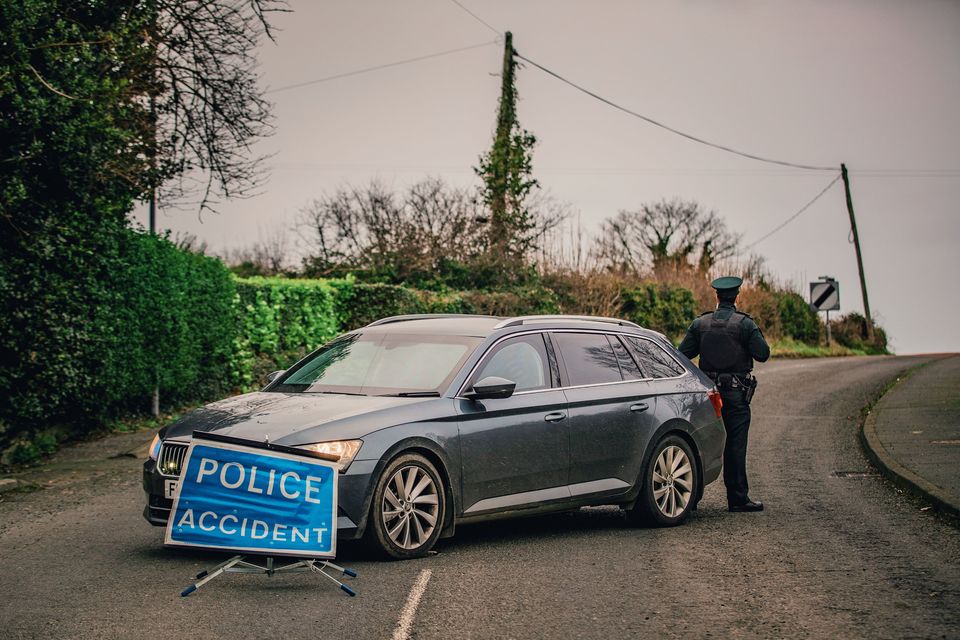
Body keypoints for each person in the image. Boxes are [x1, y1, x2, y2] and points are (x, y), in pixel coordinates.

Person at [678, 276, 770, 512]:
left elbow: (681, 354)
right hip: (737, 394)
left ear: (716, 297)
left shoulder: (700, 324)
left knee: (699, 442)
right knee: (735, 445)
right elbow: (763, 354)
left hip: (707, 395)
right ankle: (738, 498)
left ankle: (691, 500)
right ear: (737, 297)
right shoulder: (745, 324)